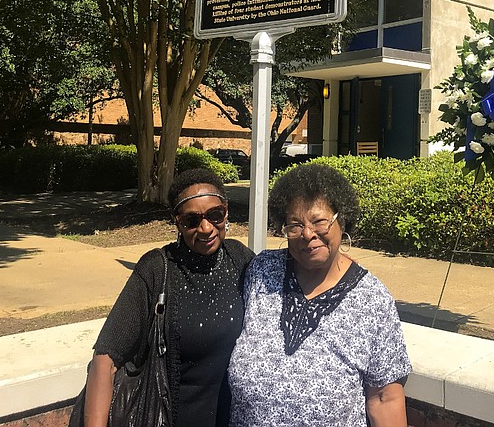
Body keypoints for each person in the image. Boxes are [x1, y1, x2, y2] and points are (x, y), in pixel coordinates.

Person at [228, 164, 411, 427]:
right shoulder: (262, 271)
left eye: (319, 221)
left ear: (342, 220)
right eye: (295, 225)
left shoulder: (372, 300)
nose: (307, 234)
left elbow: (385, 399)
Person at [83, 168, 254, 427]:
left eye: (215, 215)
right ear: (177, 222)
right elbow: (105, 359)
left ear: (226, 212)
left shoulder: (240, 259)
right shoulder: (156, 269)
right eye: (191, 220)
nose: (206, 228)